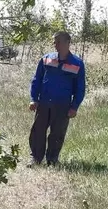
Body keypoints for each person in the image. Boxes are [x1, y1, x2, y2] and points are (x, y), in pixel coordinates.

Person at [28, 31, 85, 166]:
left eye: (58, 41)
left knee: (57, 133)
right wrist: (33, 98)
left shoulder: (77, 64)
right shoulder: (47, 59)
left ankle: (52, 160)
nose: (55, 44)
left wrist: (74, 107)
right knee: (38, 131)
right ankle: (35, 158)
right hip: (44, 103)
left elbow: (80, 89)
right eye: (54, 41)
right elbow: (37, 80)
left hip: (63, 105)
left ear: (67, 43)